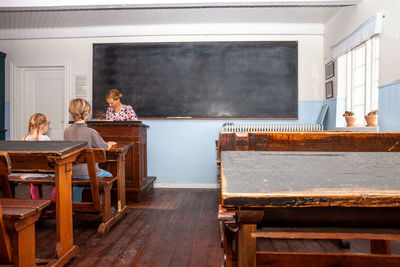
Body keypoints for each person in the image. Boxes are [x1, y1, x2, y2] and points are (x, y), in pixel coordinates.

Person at [64, 98, 116, 202]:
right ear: (87, 112)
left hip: (72, 171)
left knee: (78, 184)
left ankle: (74, 208)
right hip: (89, 171)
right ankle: (101, 205)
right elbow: (104, 147)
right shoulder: (91, 132)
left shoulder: (67, 131)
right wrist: (110, 144)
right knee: (108, 176)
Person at [22, 113, 56, 200]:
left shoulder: (26, 139)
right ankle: (51, 203)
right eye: (47, 126)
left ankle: (35, 201)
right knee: (60, 181)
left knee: (34, 183)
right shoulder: (45, 139)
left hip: (30, 171)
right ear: (43, 126)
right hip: (44, 171)